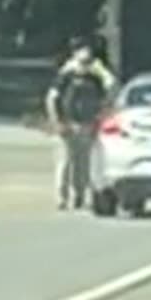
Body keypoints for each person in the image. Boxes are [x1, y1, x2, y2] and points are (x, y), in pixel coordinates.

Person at [44, 38, 117, 210]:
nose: (86, 55)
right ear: (74, 54)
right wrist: (57, 122)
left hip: (87, 123)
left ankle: (79, 196)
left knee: (83, 163)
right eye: (82, 51)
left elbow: (112, 88)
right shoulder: (66, 74)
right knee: (65, 162)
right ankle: (61, 198)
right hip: (67, 123)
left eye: (88, 52)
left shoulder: (95, 75)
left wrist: (100, 70)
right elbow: (52, 98)